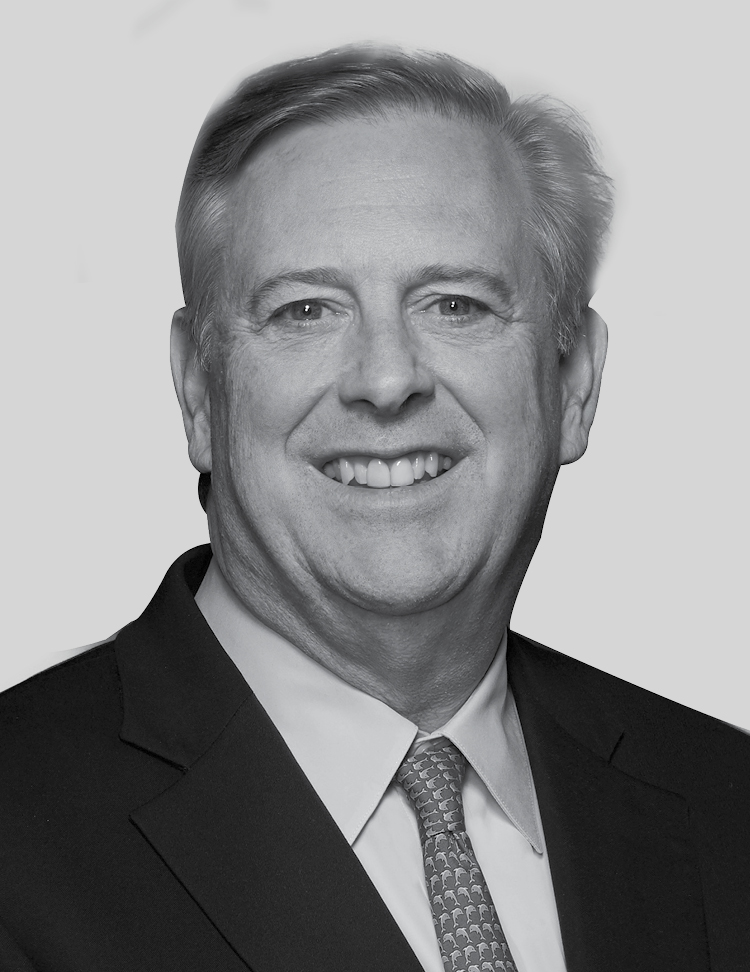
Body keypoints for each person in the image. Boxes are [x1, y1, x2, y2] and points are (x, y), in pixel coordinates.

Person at [1, 45, 747, 972]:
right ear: (197, 391)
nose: (387, 380)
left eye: (456, 305)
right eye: (306, 311)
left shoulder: (727, 806)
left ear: (575, 383)